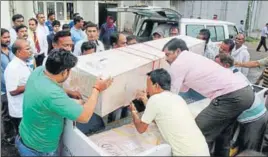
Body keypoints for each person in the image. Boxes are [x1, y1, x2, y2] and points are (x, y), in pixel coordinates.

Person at [162, 38, 254, 157]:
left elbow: (172, 94)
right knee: (223, 133)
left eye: (168, 54)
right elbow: (183, 89)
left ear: (178, 51)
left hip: (231, 96)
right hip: (244, 92)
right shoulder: (192, 57)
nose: (166, 58)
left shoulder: (179, 62)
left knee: (196, 132)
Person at [15, 49, 113, 156]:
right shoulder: (52, 94)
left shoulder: (38, 71)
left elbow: (48, 97)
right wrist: (97, 88)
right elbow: (84, 117)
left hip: (26, 136)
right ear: (64, 72)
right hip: (40, 149)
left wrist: (70, 95)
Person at [129, 68, 210, 156]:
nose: (147, 90)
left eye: (148, 86)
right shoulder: (177, 98)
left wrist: (133, 111)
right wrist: (145, 99)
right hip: (203, 149)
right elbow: (159, 118)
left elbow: (141, 128)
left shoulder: (155, 99)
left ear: (156, 86)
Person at [215, 53, 268, 152]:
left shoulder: (231, 78)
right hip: (251, 115)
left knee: (249, 150)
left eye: (216, 64)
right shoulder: (232, 73)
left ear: (226, 65)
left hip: (255, 118)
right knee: (240, 145)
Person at [4, 39, 33, 144]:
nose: (31, 50)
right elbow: (13, 91)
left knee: (27, 137)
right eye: (27, 48)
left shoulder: (24, 63)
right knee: (24, 138)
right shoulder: (13, 67)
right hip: (19, 111)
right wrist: (32, 84)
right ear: (18, 52)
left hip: (26, 108)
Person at [1, 28, 15, 144]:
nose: (7, 39)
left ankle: (15, 133)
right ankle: (8, 136)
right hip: (4, 89)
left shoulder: (11, 50)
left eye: (8, 37)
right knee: (6, 113)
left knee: (15, 110)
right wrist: (9, 86)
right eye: (4, 37)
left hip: (15, 87)